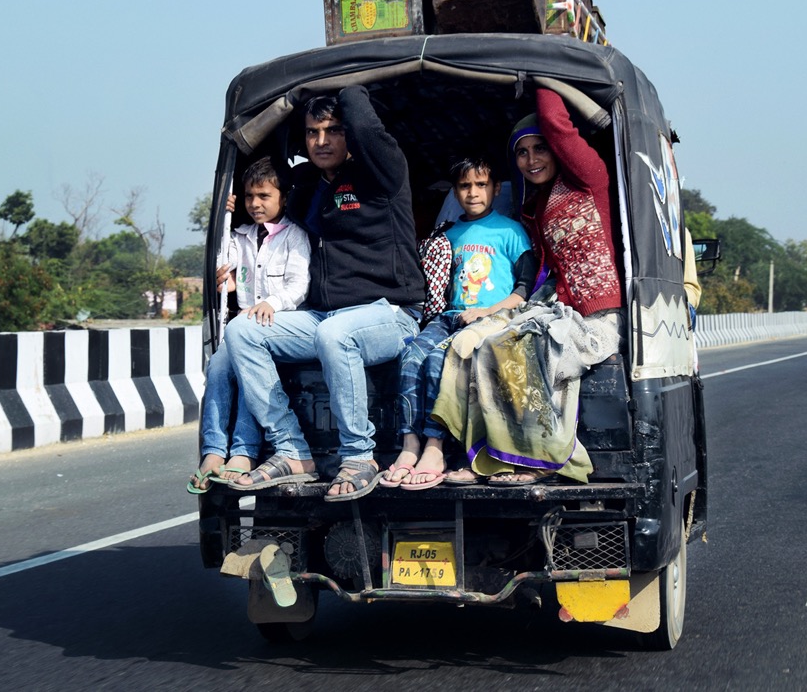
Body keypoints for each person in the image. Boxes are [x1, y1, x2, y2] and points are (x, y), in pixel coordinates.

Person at [224, 87, 425, 501]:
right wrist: (236, 208)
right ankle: (292, 449)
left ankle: (359, 457)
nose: (321, 141)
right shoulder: (306, 184)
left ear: (350, 133)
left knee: (336, 335)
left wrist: (335, 84)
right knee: (243, 331)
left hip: (391, 313)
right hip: (324, 316)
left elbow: (369, 130)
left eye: (334, 130)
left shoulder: (383, 172)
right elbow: (264, 186)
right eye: (313, 132)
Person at [431, 87, 623, 485]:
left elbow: (556, 122)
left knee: (514, 352)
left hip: (598, 320)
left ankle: (534, 460)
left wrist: (540, 67)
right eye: (522, 152)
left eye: (541, 149)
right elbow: (548, 275)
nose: (531, 159)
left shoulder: (589, 182)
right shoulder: (535, 208)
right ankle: (485, 456)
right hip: (559, 312)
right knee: (476, 347)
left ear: (557, 150)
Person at [381, 156, 535, 490]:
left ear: (496, 189)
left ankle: (435, 448)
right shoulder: (447, 233)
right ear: (455, 191)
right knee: (411, 358)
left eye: (481, 185)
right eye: (465, 186)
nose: (473, 192)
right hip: (448, 316)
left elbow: (524, 289)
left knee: (440, 360)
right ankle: (410, 445)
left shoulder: (510, 230)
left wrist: (486, 311)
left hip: (489, 320)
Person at [186, 156, 311, 493]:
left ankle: (243, 451)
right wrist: (225, 216)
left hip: (274, 326)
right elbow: (222, 270)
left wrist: (270, 303)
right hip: (239, 324)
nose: (255, 204)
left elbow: (298, 286)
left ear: (283, 197)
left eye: (264, 196)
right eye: (249, 197)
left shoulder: (294, 236)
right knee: (217, 369)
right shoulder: (238, 236)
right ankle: (213, 451)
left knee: (246, 371)